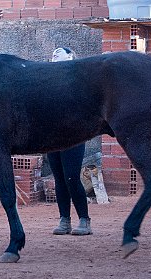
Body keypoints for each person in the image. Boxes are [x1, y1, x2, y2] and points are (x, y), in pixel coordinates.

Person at [48, 47, 92, 235]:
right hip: (51, 137)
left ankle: (84, 220)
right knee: (59, 179)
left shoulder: (79, 79)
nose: (55, 53)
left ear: (71, 57)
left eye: (60, 52)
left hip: (73, 136)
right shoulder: (46, 81)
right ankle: (64, 220)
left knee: (71, 177)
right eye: (53, 53)